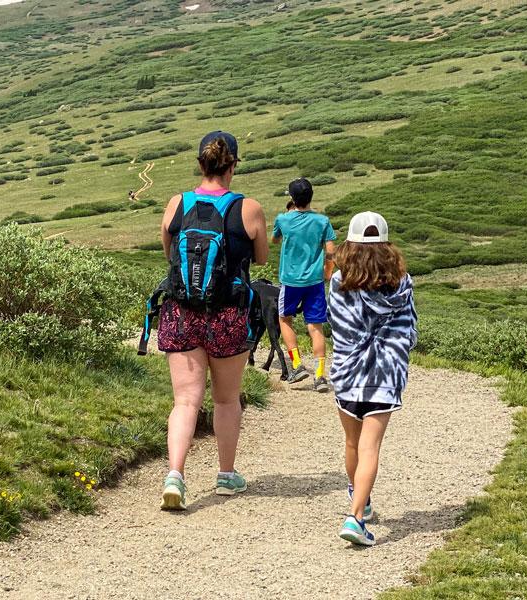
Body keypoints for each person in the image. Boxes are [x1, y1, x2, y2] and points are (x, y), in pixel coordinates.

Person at [157, 131, 268, 510]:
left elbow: (169, 252)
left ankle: (175, 474)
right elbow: (262, 257)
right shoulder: (248, 208)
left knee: (185, 401)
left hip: (181, 311)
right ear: (232, 164)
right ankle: (225, 474)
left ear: (200, 163)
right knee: (225, 399)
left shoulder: (178, 203)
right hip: (228, 314)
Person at [328, 212, 417, 546]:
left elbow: (336, 323)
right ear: (386, 245)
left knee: (353, 443)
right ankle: (355, 518)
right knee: (371, 446)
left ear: (349, 245)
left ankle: (359, 501)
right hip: (385, 372)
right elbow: (408, 329)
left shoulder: (338, 282)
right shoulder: (402, 283)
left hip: (348, 371)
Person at [271, 177, 336, 391]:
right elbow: (331, 250)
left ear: (292, 198)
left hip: (290, 281)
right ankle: (320, 375)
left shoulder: (283, 219)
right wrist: (328, 270)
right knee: (315, 326)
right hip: (315, 281)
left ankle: (297, 365)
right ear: (311, 197)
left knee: (285, 319)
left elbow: (275, 240)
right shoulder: (322, 221)